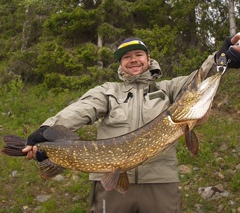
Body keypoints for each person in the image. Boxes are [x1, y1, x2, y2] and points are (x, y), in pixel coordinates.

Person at [22, 35, 240, 213]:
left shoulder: (167, 88)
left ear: (148, 59)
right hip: (110, 181)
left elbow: (197, 81)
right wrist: (46, 130)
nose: (133, 59)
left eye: (138, 54)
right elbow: (81, 109)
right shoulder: (108, 91)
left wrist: (222, 57)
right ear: (120, 64)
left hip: (159, 181)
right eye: (127, 57)